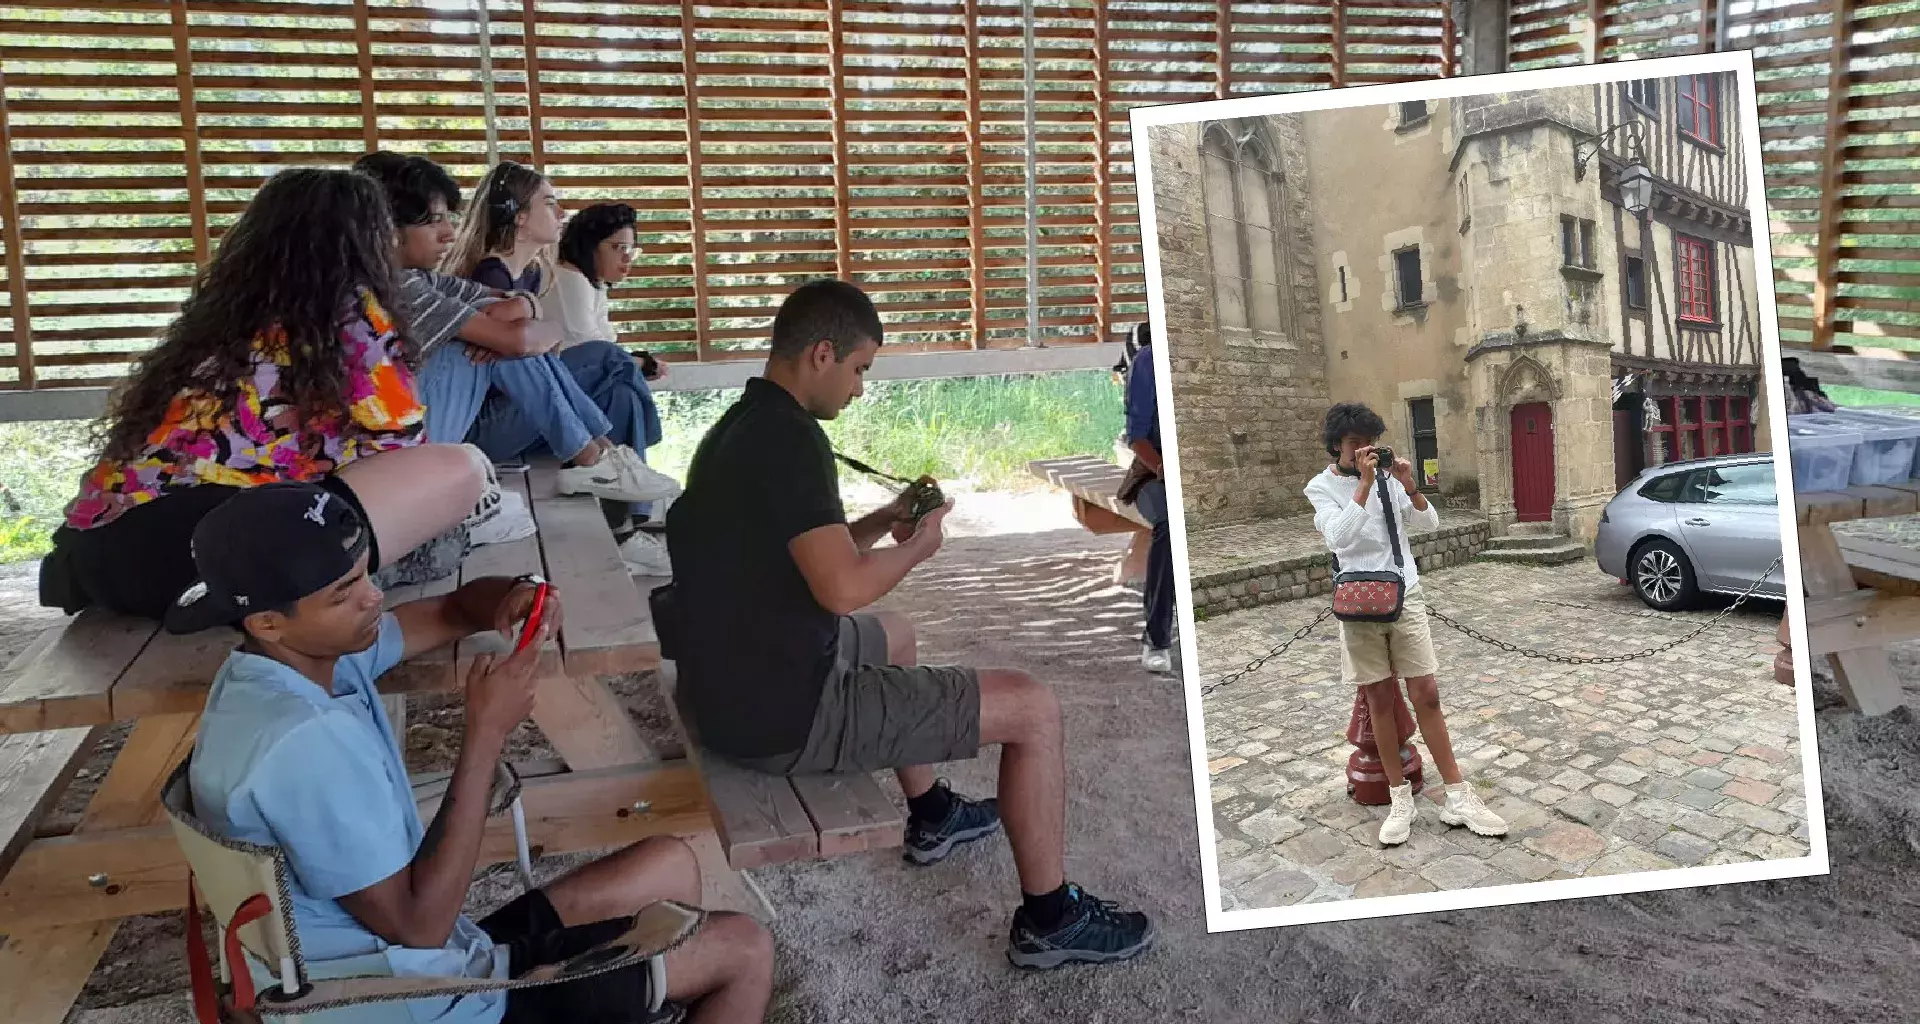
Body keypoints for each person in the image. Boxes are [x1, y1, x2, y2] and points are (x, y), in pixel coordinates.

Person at [663, 279, 1154, 970]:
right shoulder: (791, 442)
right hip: (783, 716)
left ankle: (933, 814)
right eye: (860, 370)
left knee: (894, 633)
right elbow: (839, 590)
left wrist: (877, 524)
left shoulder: (743, 424)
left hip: (732, 687)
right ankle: (1050, 917)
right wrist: (918, 546)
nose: (861, 389)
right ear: (823, 354)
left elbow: (805, 550)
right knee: (1034, 708)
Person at [183, 481, 774, 1024]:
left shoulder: (285, 668)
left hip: (433, 961)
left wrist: (511, 597)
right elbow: (419, 928)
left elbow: (449, 611)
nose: (374, 597)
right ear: (267, 620)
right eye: (345, 593)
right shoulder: (302, 742)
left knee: (668, 862)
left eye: (366, 574)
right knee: (743, 948)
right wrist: (485, 733)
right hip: (406, 1002)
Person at [37, 167, 483, 623]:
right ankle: (310, 584)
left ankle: (304, 578)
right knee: (460, 467)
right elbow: (402, 444)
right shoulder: (351, 310)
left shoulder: (222, 314)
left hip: (101, 555)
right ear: (369, 239)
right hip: (208, 552)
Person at [350, 152, 672, 518]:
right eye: (434, 221)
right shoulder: (400, 288)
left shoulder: (423, 279)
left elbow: (545, 328)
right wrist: (514, 329)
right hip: (427, 443)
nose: (448, 233)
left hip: (452, 426)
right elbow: (518, 342)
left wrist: (526, 307)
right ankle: (596, 461)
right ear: (389, 229)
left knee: (608, 378)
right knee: (590, 357)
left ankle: (607, 473)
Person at [1304, 402, 1509, 847]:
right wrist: (1362, 485)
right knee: (1379, 696)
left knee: (1426, 693)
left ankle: (1458, 794)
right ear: (1336, 446)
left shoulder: (1386, 480)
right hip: (1357, 600)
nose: (1365, 450)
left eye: (1369, 442)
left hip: (1405, 592)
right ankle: (1400, 799)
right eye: (1355, 443)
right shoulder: (1320, 488)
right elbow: (1339, 537)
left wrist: (1410, 486)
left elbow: (1428, 522)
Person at [444, 162, 677, 550]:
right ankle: (613, 463)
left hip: (525, 414)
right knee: (609, 359)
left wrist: (532, 317)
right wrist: (532, 325)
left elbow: (543, 343)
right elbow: (521, 346)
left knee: (618, 390)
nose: (561, 214)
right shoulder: (491, 274)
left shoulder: (532, 275)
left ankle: (627, 528)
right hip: (485, 427)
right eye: (550, 204)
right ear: (520, 218)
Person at [550, 201, 673, 568]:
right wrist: (638, 363)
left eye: (630, 249)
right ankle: (631, 518)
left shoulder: (592, 286)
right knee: (620, 384)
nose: (627, 258)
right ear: (589, 245)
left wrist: (637, 364)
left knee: (623, 391)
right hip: (555, 402)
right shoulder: (569, 282)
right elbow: (597, 354)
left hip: (579, 397)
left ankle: (628, 525)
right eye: (617, 248)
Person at [1121, 323, 1176, 675]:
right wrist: (1161, 468)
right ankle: (1155, 638)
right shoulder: (1148, 360)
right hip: (1151, 473)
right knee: (1169, 526)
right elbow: (1136, 437)